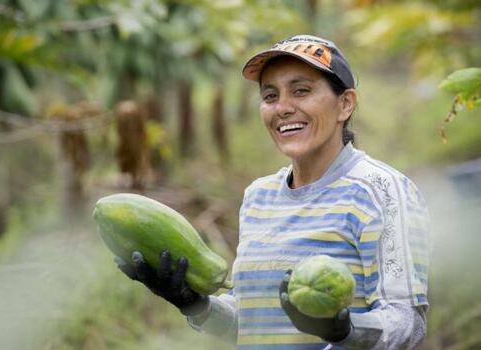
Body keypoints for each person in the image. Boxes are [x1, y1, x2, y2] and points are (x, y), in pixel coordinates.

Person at [115, 35, 430, 349]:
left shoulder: (383, 191)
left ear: (345, 104)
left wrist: (344, 329)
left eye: (301, 91)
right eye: (270, 96)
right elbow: (251, 323)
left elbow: (408, 324)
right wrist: (192, 303)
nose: (283, 108)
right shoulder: (258, 196)